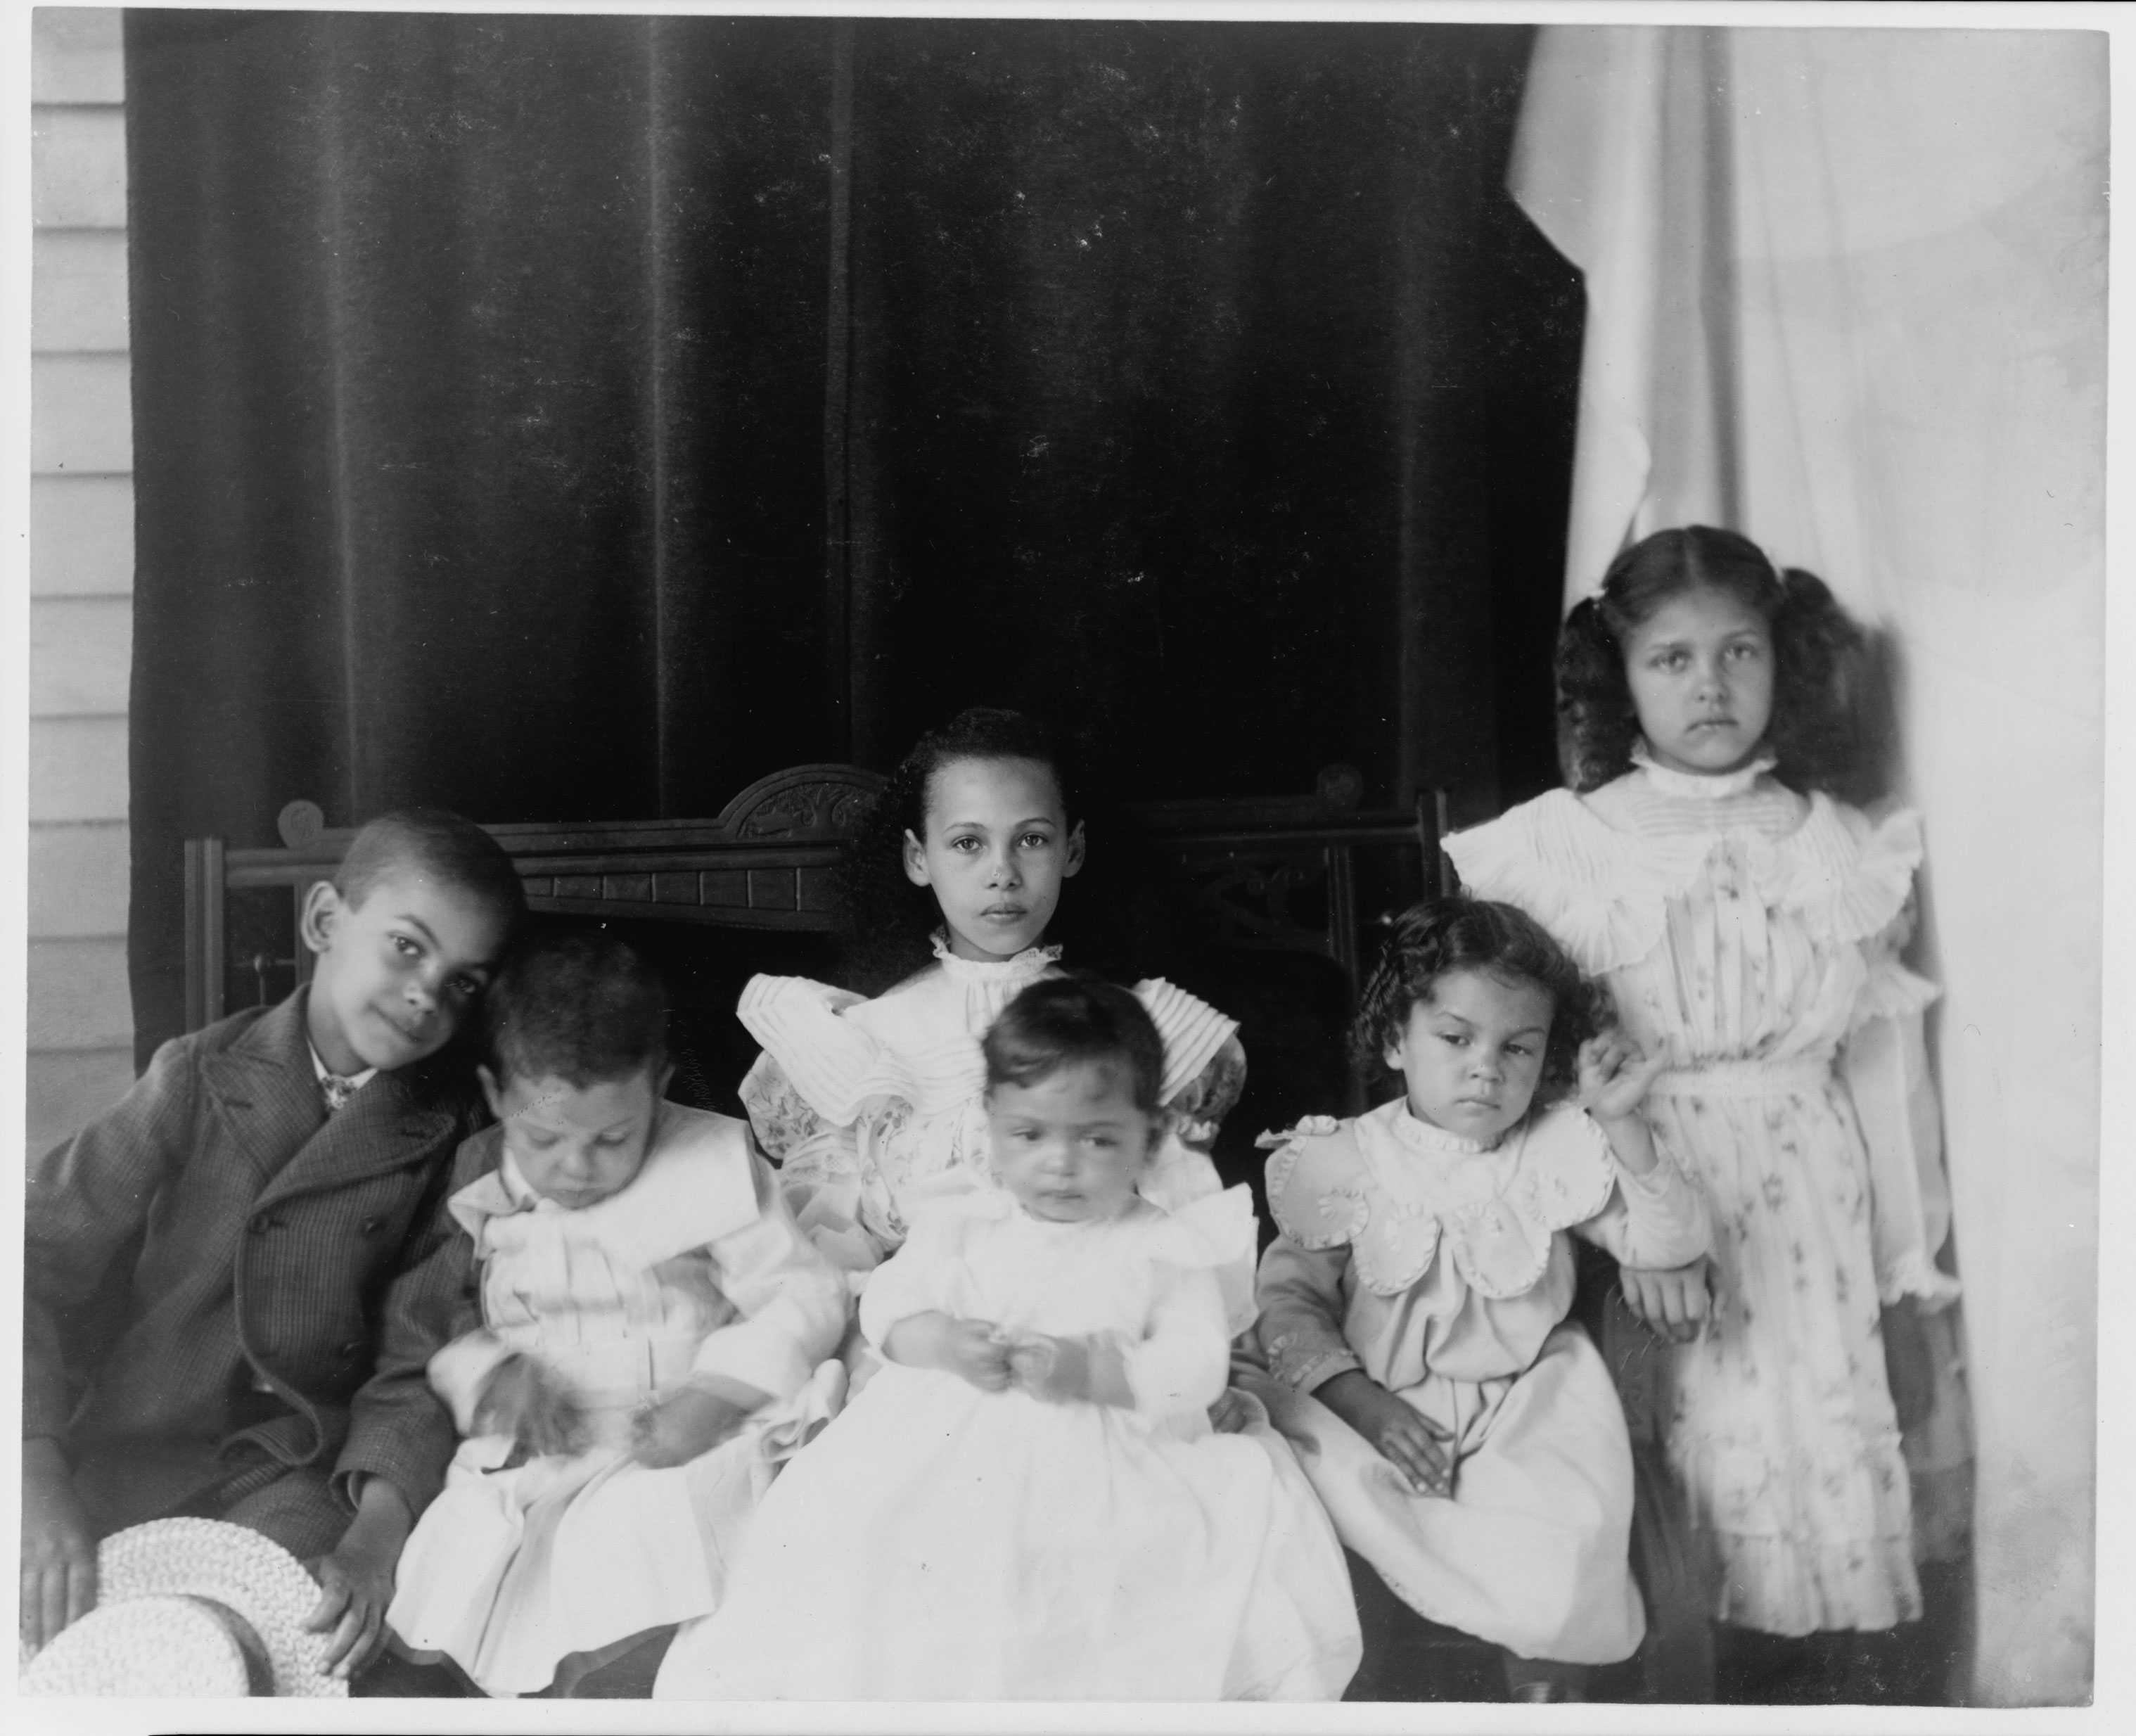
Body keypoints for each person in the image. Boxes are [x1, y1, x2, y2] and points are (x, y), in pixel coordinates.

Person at [1442, 525, 1959, 1675]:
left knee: (1801, 1467)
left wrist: (1904, 1259)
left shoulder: (1837, 846)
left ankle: (1802, 1677)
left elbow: (1882, 1074)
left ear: (1781, 659)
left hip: (1808, 1199)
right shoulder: (1570, 845)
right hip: (1637, 1183)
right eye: (1670, 659)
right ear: (1620, 678)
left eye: (1738, 652)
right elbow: (1533, 1070)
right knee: (1669, 1487)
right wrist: (1639, 1224)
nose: (1709, 684)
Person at [653, 977, 1361, 1701]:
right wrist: (943, 1341)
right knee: (884, 1546)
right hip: (954, 1436)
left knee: (1132, 1578)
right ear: (992, 1124)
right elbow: (889, 1307)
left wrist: (1096, 1371)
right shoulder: (968, 1216)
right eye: (1030, 1134)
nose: (1060, 1161)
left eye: (1097, 1137)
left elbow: (1196, 1365)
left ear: (1148, 1135)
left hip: (1114, 1447)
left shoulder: (1160, 1244)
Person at [22, 809, 525, 1682]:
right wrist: (32, 1466)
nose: (425, 995)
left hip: (298, 1465)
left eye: (462, 984)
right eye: (407, 947)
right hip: (132, 1443)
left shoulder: (453, 1135)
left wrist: (377, 1532)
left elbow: (419, 1353)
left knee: (278, 1646)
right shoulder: (197, 1076)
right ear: (325, 920)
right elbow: (27, 1256)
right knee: (58, 1641)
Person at [1246, 896, 1710, 1702]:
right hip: (1365, 1402)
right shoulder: (1343, 1157)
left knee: (1557, 1532)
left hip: (1520, 1407)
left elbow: (1666, 1244)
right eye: (1455, 1038)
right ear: (1396, 1038)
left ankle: (1540, 1687)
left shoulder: (1554, 1150)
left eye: (1517, 1047)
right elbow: (1286, 1305)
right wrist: (1361, 1403)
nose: (1486, 1067)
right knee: (1301, 1515)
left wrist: (1623, 1124)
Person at [383, 928, 847, 1697]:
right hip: (550, 1440)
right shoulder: (483, 1181)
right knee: (471, 1552)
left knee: (643, 1540)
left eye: (612, 1138)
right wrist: (497, 1375)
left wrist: (715, 1394)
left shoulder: (709, 1161)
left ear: (658, 1086)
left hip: (682, 1424)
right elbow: (445, 1317)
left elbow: (806, 1291)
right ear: (498, 1096)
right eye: (544, 1137)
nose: (575, 1166)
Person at [736, 706, 1250, 1326]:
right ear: (918, 858)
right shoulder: (863, 1040)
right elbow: (829, 1247)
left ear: (1073, 849)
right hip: (913, 1340)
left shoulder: (1126, 1030)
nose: (1002, 874)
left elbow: (1178, 1218)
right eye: (967, 844)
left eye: (1030, 839)